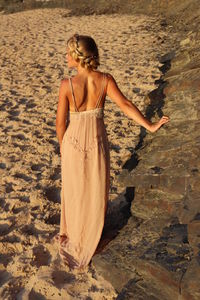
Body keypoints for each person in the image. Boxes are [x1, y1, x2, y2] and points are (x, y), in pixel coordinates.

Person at [54, 33, 170, 271]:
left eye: (68, 53)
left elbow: (60, 124)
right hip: (96, 140)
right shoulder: (105, 80)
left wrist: (63, 148)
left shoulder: (67, 85)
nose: (65, 57)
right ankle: (92, 235)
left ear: (77, 57)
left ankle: (77, 235)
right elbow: (126, 105)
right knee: (95, 187)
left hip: (72, 141)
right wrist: (149, 125)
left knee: (76, 189)